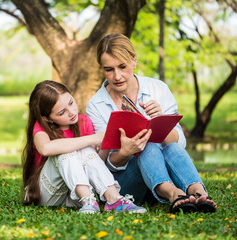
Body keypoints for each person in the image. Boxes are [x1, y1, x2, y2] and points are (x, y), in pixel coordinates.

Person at [86, 33, 217, 213]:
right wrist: (126, 152)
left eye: (122, 67)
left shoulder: (157, 89)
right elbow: (101, 163)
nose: (117, 76)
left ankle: (199, 193)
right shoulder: (96, 104)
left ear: (134, 61)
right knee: (147, 147)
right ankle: (174, 194)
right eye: (109, 69)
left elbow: (178, 143)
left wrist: (160, 121)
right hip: (127, 183)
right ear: (102, 69)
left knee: (170, 148)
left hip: (160, 172)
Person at [21, 80, 147, 214]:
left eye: (71, 102)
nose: (71, 112)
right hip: (49, 194)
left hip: (74, 195)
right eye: (62, 112)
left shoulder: (83, 122)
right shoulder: (41, 127)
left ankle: (114, 200)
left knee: (86, 150)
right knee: (65, 152)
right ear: (47, 118)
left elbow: (95, 162)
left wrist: (108, 141)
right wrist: (93, 138)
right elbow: (45, 148)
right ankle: (88, 201)